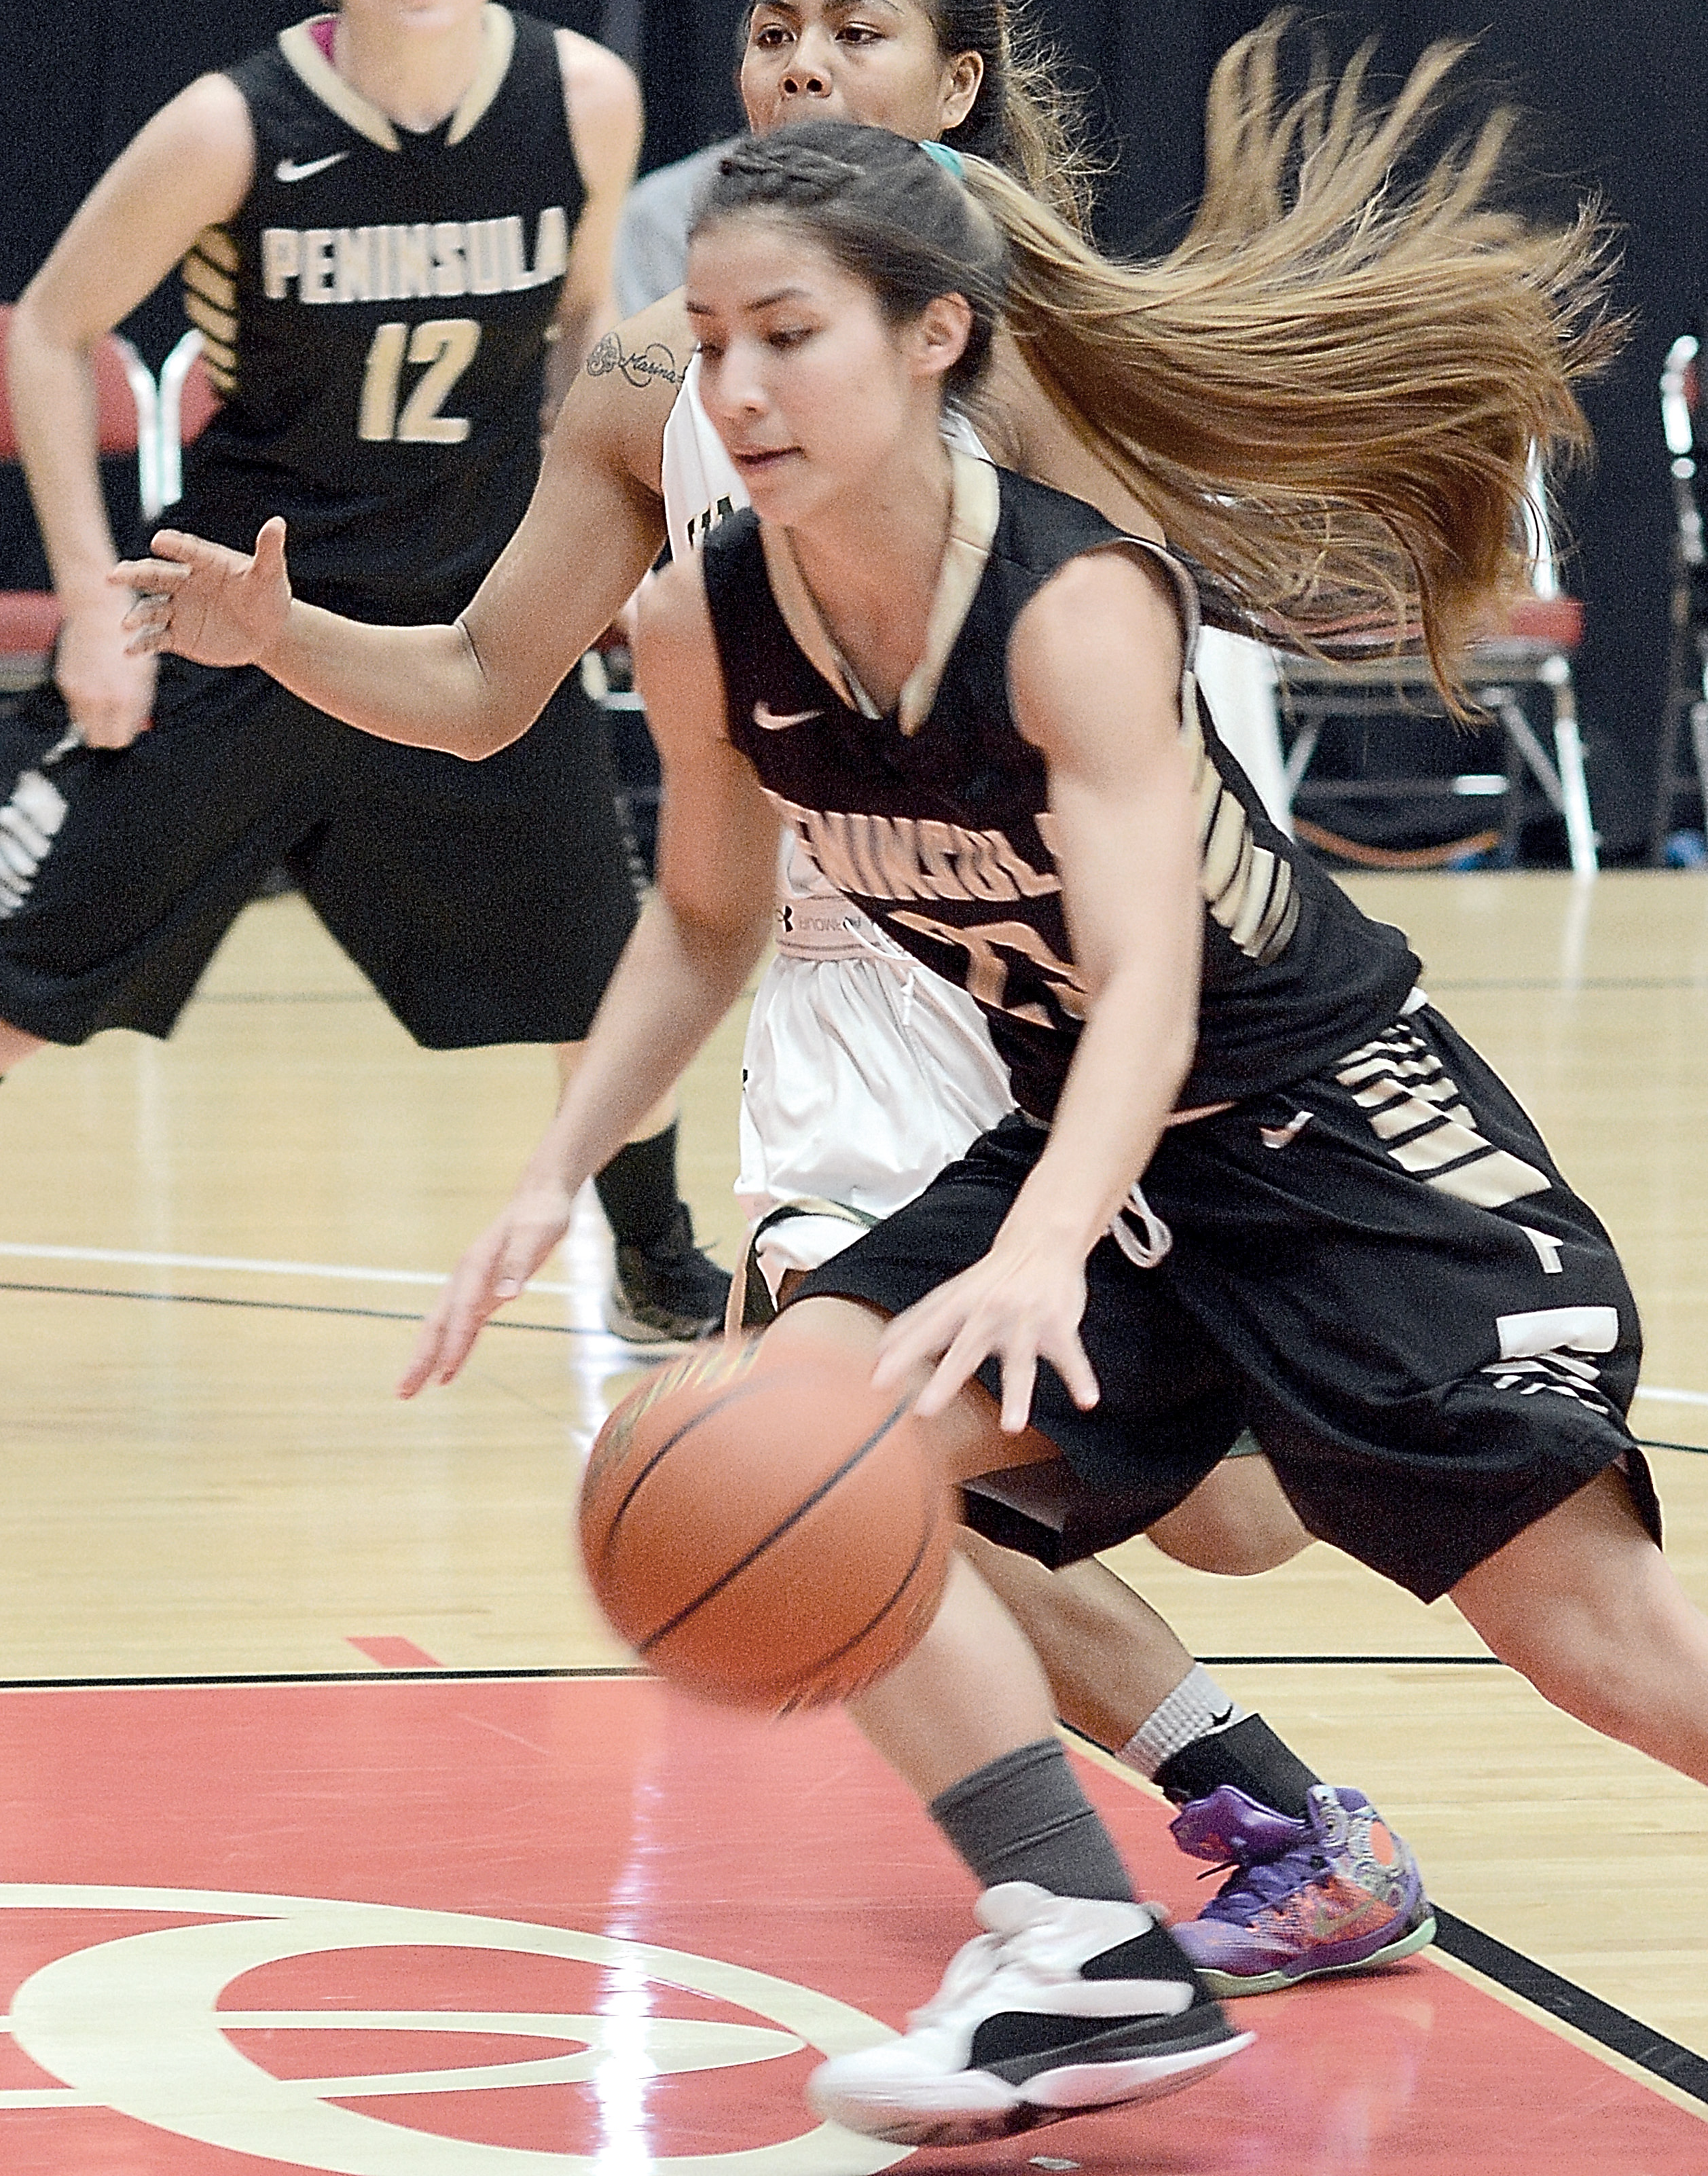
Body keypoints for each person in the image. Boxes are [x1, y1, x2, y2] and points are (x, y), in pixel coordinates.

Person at [111, 0, 1440, 2001]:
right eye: (770, 32)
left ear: (955, 87)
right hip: (845, 985)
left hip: (1070, 967)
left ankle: (1244, 1741)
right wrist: (281, 645)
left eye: (857, 36)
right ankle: (1166, 1879)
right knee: (836, 1466)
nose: (801, 69)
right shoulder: (653, 368)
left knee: (1192, 1515)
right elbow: (475, 683)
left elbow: (1138, 690)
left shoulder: (992, 343)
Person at [382, 109, 1701, 2147]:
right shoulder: (699, 618)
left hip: (1326, 1140)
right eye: (710, 341)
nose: (733, 388)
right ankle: (1085, 1953)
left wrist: (1032, 1241)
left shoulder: (1076, 605)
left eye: (787, 336)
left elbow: (1154, 985)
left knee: (1598, 1648)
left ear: (928, 341)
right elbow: (705, 917)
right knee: (805, 1433)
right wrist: (557, 1169)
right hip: (1092, 1144)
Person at [2, 0, 727, 1344]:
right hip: (249, 613)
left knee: (609, 967)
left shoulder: (584, 98)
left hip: (476, 620)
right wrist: (87, 610)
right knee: (22, 968)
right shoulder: (232, 122)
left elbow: (589, 338)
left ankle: (663, 1256)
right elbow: (52, 329)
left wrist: (621, 540)